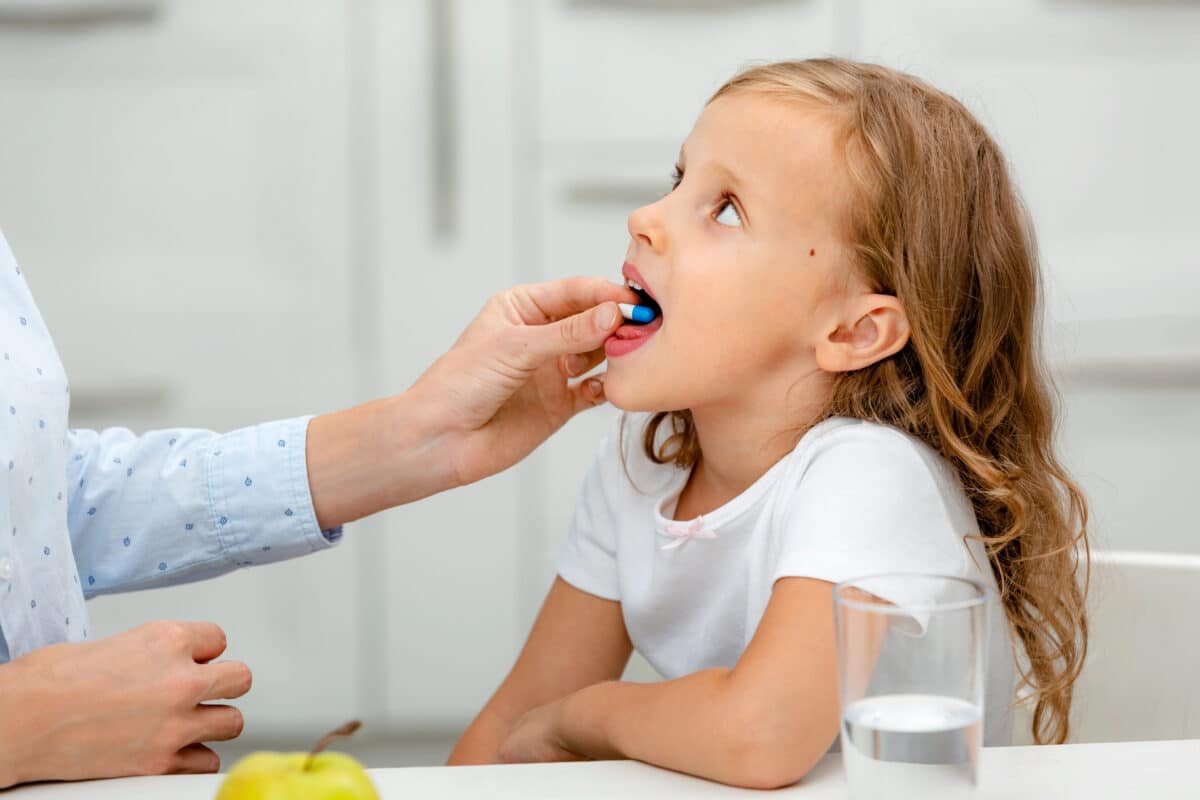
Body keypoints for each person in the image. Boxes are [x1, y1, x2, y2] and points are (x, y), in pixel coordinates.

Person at [448, 59, 1091, 788]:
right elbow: (505, 733)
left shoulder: (870, 475)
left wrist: (584, 717)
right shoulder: (641, 463)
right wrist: (539, 723)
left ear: (852, 333)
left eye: (725, 208)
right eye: (677, 180)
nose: (645, 219)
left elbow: (760, 737)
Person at [0, 224, 637, 787]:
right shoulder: (634, 482)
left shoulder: (631, 474)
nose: (643, 219)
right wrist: (27, 720)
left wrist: (411, 435)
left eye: (724, 205)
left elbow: (39, 492)